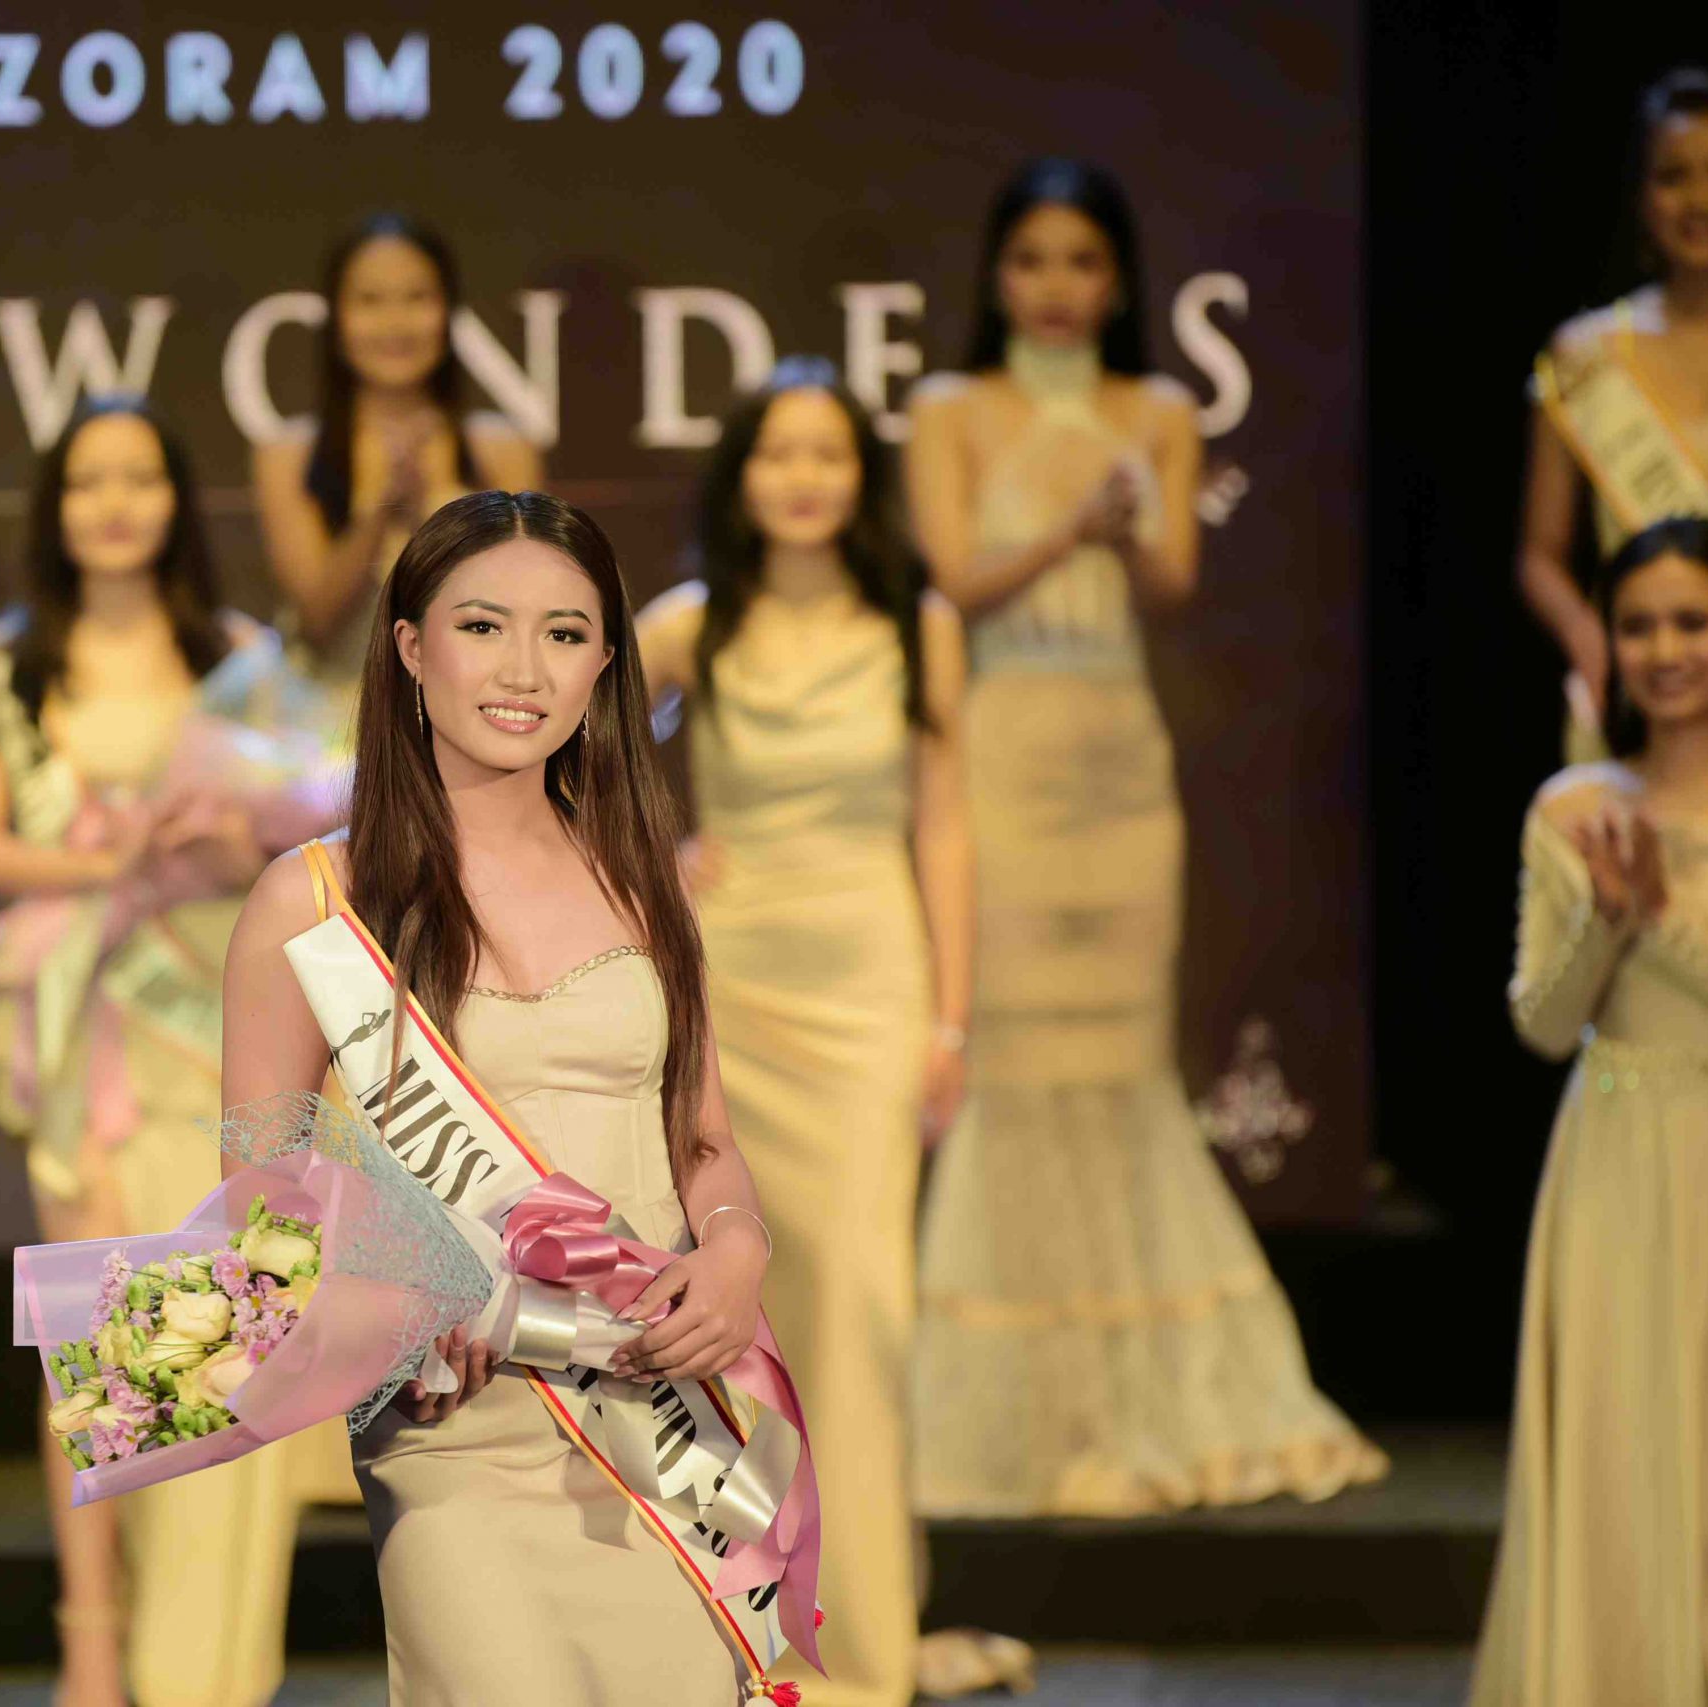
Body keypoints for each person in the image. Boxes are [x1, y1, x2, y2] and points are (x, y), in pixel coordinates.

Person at [220, 489, 775, 1701]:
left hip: (653, 1411)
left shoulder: (645, 880)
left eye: (564, 634)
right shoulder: (311, 901)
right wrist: (399, 1303)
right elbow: (262, 1202)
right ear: (411, 649)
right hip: (453, 1423)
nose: (524, 671)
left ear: (605, 666)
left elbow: (704, 1145)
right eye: (482, 627)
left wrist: (736, 1248)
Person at [904, 159, 1383, 1516]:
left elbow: (1172, 580)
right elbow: (949, 577)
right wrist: (1071, 523)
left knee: (1120, 1063)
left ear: (1118, 281)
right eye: (1032, 261)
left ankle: (1140, 1389)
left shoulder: (1159, 410)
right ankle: (1022, 1409)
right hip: (1005, 746)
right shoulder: (950, 409)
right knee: (1012, 1055)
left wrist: (1121, 530)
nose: (1056, 288)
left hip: (1119, 751)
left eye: (1083, 263)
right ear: (996, 275)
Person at [0, 396, 343, 1707]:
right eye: (88, 481)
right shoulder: (13, 661)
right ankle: (96, 1643)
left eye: (140, 478)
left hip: (219, 1014)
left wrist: (226, 838)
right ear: (55, 507)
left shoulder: (238, 653)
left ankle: (204, 1662)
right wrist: (107, 858)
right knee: (101, 1343)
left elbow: (317, 812)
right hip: (88, 1027)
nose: (114, 503)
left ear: (176, 499)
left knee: (226, 1335)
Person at [638, 359, 993, 1704]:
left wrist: (950, 1019)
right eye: (776, 453)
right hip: (732, 989)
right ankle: (748, 1640)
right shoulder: (690, 626)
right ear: (740, 476)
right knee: (743, 1317)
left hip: (868, 989)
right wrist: (654, 858)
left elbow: (944, 826)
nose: (801, 477)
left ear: (861, 476)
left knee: (860, 1311)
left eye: (827, 453)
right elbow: (555, 736)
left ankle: (857, 1647)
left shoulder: (919, 625)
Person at [1472, 515, 1708, 1706]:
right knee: (1627, 1460)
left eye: (1692, 622)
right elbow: (1540, 1021)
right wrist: (1606, 921)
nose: (1664, 650)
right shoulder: (1573, 808)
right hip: (1617, 1160)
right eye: (1637, 626)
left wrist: (1659, 920)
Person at [251, 214, 543, 718]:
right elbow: (315, 622)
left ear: (448, 311)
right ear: (337, 318)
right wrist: (382, 511)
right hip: (329, 729)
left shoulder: (501, 450)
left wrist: (447, 512)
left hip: (472, 717)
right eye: (370, 300)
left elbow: (527, 608)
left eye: (417, 297)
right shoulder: (289, 455)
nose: (395, 322)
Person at [1519, 68, 1708, 758]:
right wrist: (1593, 638)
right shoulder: (1587, 355)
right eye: (1673, 176)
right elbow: (1539, 554)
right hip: (1641, 694)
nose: (1700, 199)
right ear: (1641, 195)